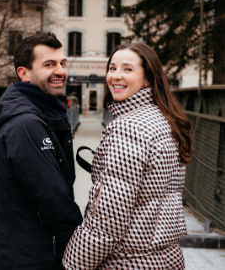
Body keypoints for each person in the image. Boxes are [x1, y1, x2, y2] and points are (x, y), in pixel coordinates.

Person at [63, 43, 191, 269]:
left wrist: (72, 264)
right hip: (167, 256)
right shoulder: (166, 120)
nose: (116, 76)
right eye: (112, 68)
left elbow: (107, 222)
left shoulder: (128, 128)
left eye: (127, 69)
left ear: (149, 79)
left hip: (128, 261)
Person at [0, 32, 83, 269]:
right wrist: (82, 248)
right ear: (23, 73)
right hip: (22, 259)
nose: (60, 71)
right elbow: (52, 196)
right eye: (49, 65)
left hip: (20, 252)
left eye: (62, 63)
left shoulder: (37, 114)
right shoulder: (25, 124)